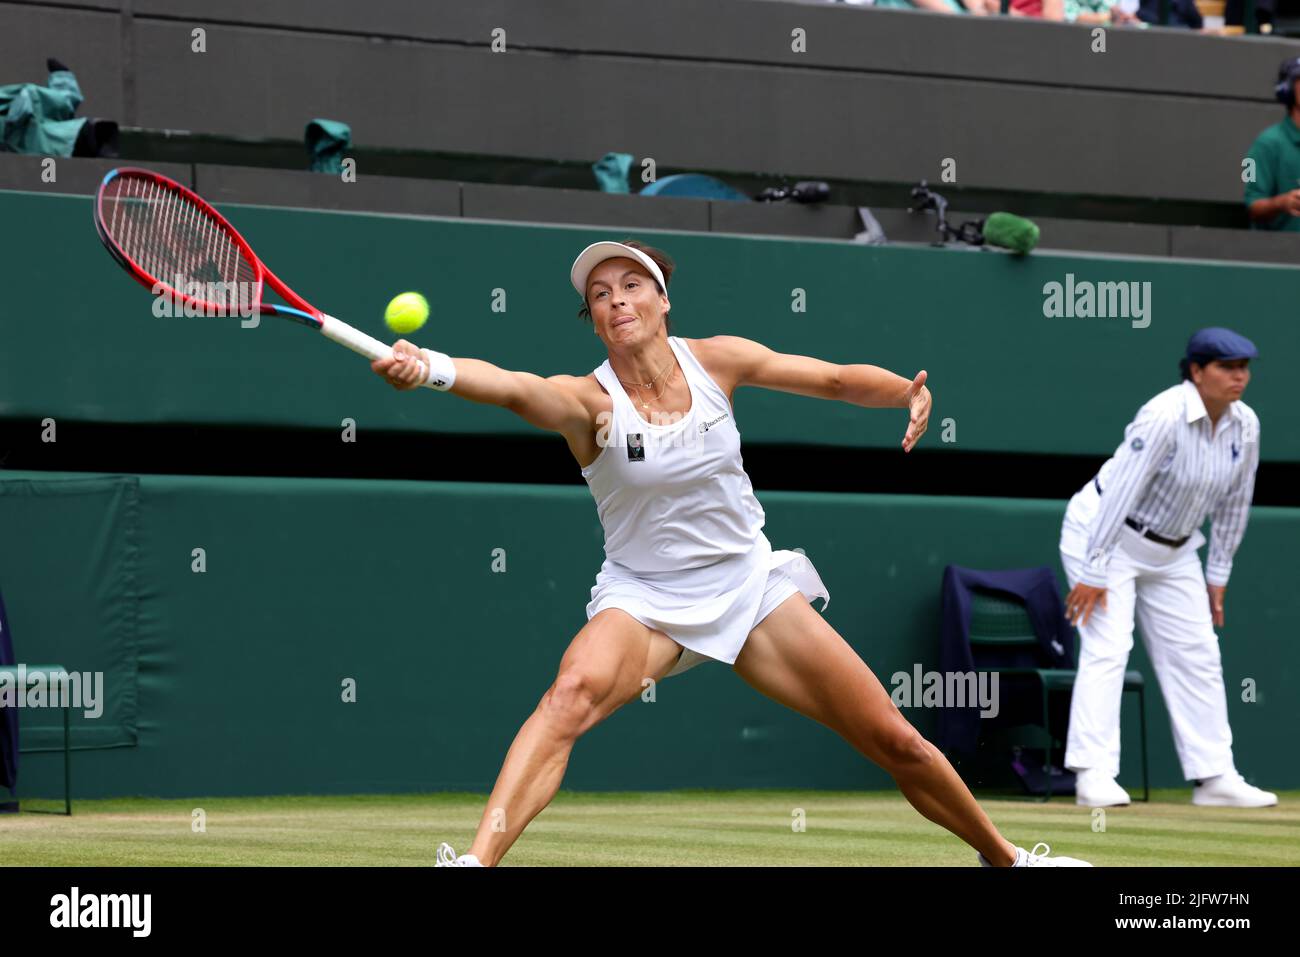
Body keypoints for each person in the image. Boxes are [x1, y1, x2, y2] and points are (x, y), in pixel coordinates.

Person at [373, 239, 1091, 867]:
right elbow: (511, 388)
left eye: (631, 284)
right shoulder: (584, 402)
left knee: (894, 738)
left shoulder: (719, 361)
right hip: (645, 597)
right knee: (568, 697)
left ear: (662, 299)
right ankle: (474, 860)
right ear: (592, 319)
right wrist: (429, 365)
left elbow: (835, 378)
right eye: (599, 294)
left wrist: (906, 392)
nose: (615, 298)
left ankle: (1008, 858)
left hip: (749, 586)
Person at [1060, 328, 1277, 809]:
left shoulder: (1246, 425)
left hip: (1175, 551)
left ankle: (1215, 776)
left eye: (1244, 367)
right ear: (1196, 371)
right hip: (1105, 535)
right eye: (1227, 367)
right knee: (1109, 645)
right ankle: (1093, 774)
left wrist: (1217, 574)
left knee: (1199, 653)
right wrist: (1094, 570)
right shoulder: (1162, 415)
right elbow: (1122, 491)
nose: (1239, 376)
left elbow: (1236, 503)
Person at [1244, 57, 1300, 233]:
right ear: (1288, 89)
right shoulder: (1265, 143)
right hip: (1281, 253)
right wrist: (1282, 202)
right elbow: (1252, 205)